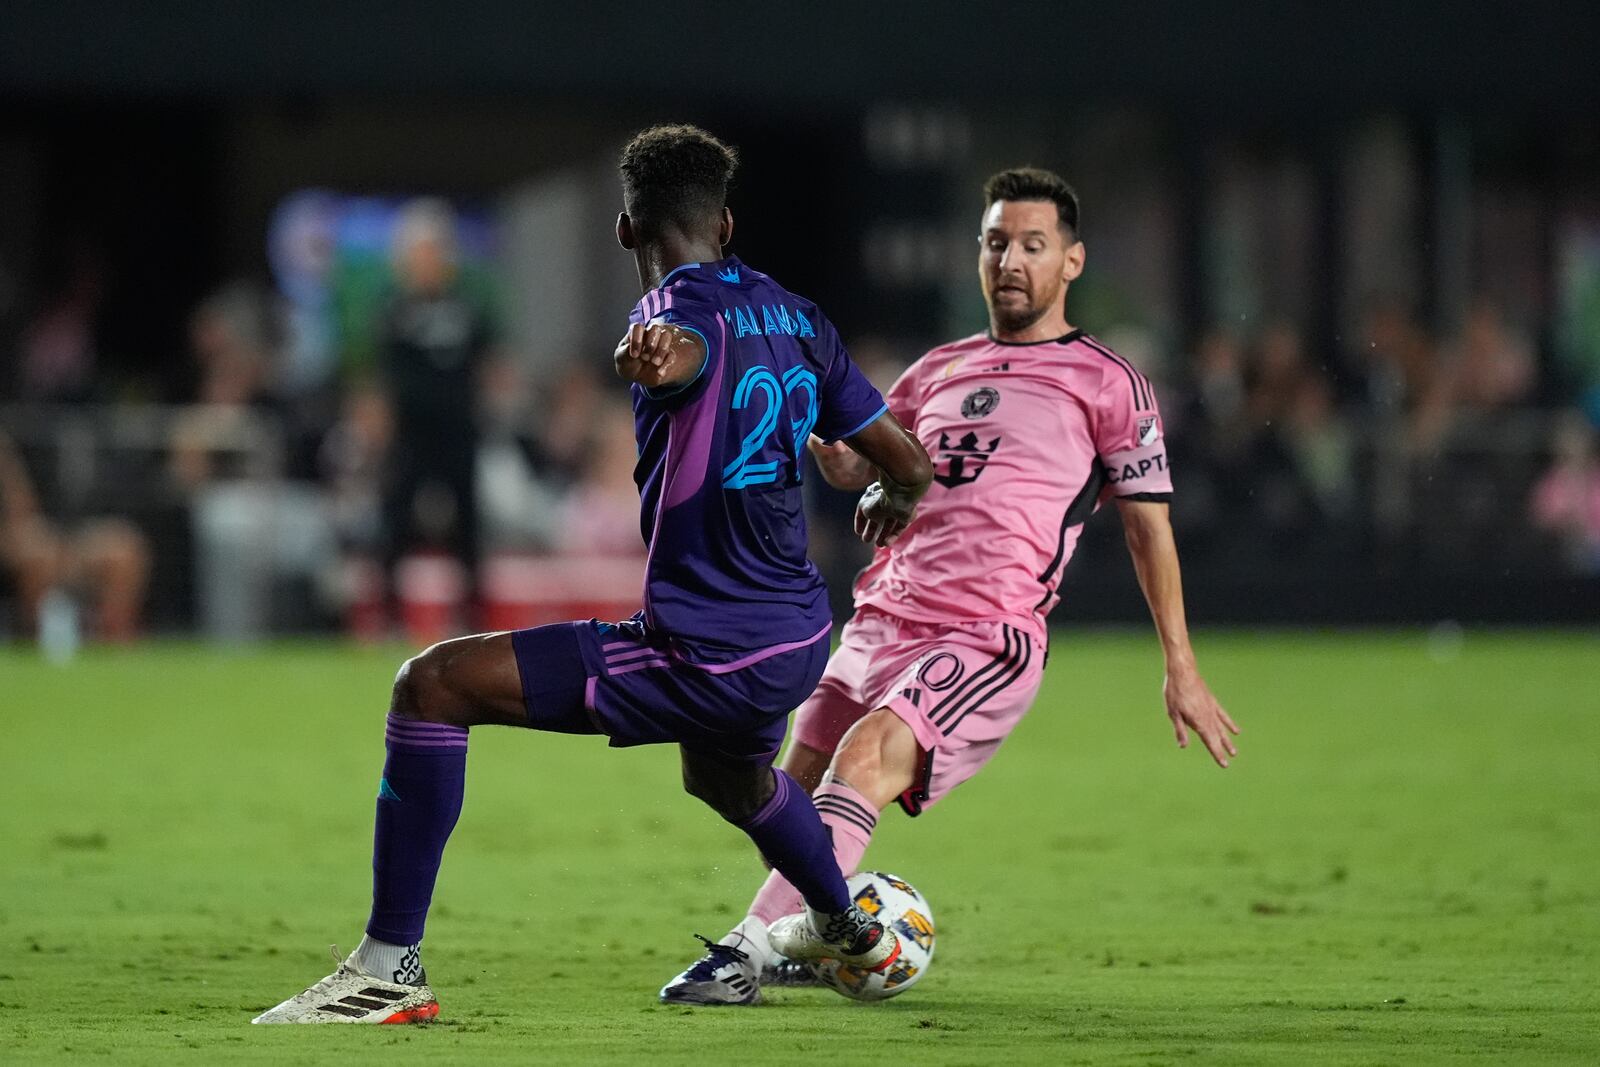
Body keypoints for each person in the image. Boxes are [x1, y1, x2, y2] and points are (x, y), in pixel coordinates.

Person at [253, 124, 933, 1024]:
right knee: (729, 779)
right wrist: (894, 494)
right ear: (725, 223)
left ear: (625, 229)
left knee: (429, 684)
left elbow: (675, 349)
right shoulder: (798, 315)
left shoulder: (666, 319)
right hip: (801, 631)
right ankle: (846, 923)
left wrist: (645, 357)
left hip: (704, 648)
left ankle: (386, 970)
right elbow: (909, 462)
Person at [660, 167, 1240, 1006]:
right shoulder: (938, 367)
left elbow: (1150, 528)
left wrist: (1180, 664)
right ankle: (838, 933)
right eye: (996, 241)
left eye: (1032, 245)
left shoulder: (1108, 382)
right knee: (780, 791)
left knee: (861, 766)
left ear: (1070, 262)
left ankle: (743, 954)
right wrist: (842, 460)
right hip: (880, 616)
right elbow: (873, 460)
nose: (1010, 259)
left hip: (986, 630)